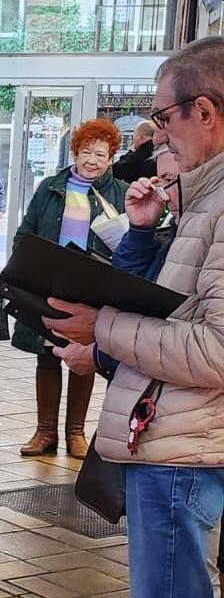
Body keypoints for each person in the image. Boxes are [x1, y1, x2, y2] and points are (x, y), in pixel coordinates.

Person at [48, 37, 224, 596]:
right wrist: (143, 232)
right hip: (174, 436)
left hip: (184, 450)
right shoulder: (203, 200)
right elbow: (163, 305)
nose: (160, 135)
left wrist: (98, 327)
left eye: (163, 118)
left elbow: (217, 349)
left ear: (204, 112)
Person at [11, 118, 127, 459]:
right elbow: (26, 231)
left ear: (111, 159)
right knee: (46, 355)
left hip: (93, 287)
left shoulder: (119, 192)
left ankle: (76, 431)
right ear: (75, 152)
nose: (91, 160)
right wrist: (24, 266)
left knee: (83, 359)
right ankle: (44, 431)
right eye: (86, 152)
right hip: (50, 283)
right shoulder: (50, 187)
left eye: (100, 155)